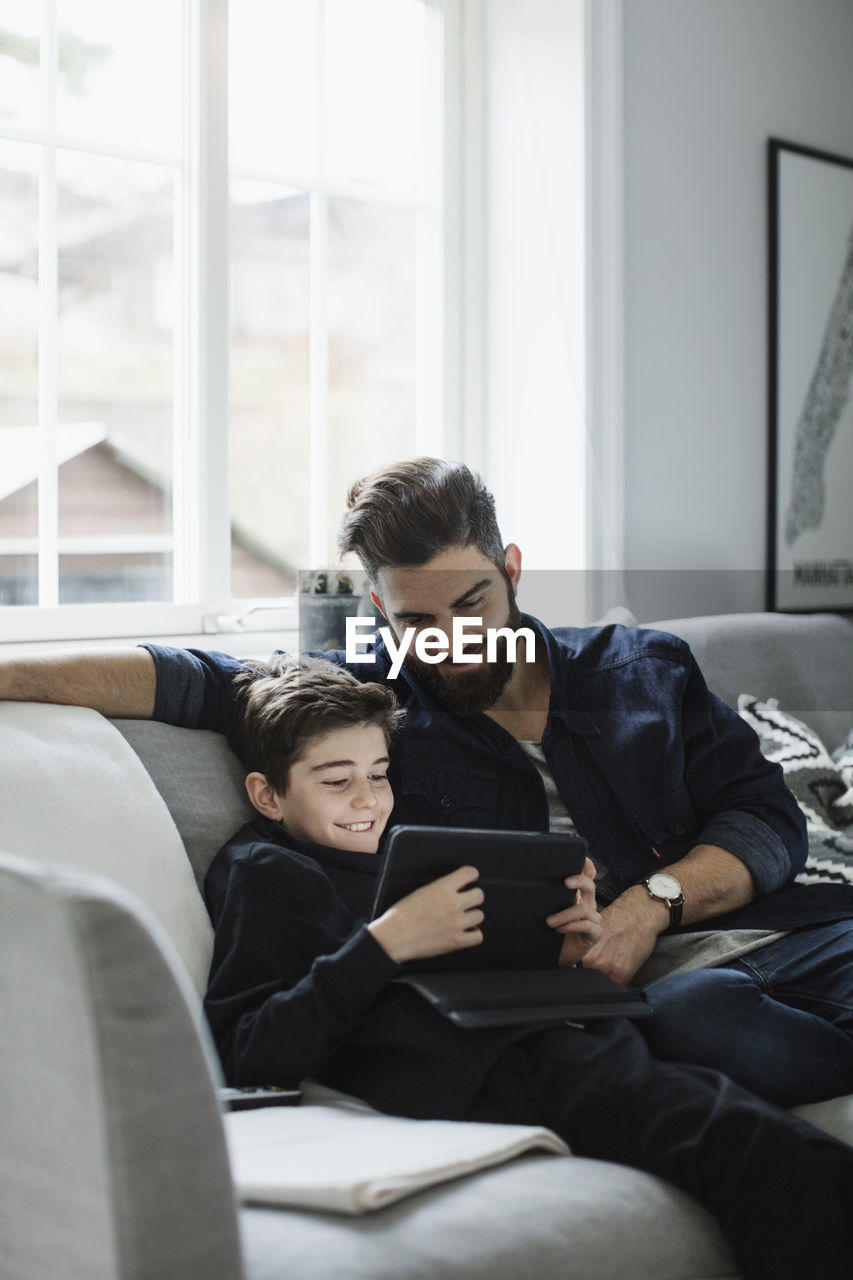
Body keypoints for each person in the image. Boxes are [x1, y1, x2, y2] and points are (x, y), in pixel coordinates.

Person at [3, 456, 853, 1104]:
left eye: (471, 603)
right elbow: (184, 676)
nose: (451, 641)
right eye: (416, 619)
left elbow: (764, 819)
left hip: (788, 934)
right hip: (663, 995)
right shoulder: (374, 705)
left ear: (512, 569)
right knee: (696, 1016)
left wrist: (648, 906)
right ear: (378, 611)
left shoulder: (642, 670)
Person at [206, 651, 853, 1280]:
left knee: (803, 1151)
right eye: (336, 780)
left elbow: (465, 962)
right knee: (745, 1147)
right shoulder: (265, 871)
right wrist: (386, 942)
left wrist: (558, 947)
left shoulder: (404, 852)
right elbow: (252, 1048)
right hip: (491, 1068)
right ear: (267, 795)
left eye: (378, 774)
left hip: (565, 1028)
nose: (367, 799)